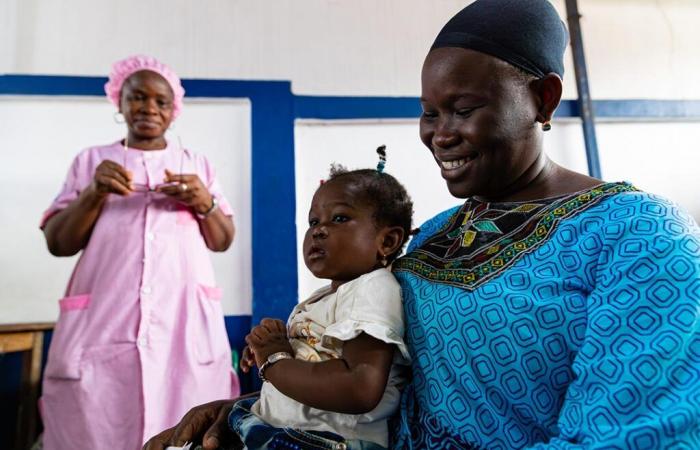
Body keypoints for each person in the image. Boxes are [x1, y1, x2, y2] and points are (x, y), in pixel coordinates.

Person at [145, 0, 700, 449]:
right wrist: (255, 416)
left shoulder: (637, 237)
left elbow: (634, 436)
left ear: (542, 97)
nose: (440, 133)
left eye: (463, 108)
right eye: (430, 113)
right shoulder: (432, 236)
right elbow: (386, 391)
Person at [147, 154, 414, 450]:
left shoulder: (373, 289)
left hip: (327, 441)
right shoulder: (325, 297)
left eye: (339, 218)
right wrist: (271, 349)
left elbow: (360, 388)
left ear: (387, 242)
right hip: (281, 430)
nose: (319, 230)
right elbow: (310, 360)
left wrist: (274, 362)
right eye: (314, 221)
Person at [40, 55, 239, 449]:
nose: (148, 107)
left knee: (185, 416)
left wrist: (204, 202)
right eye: (137, 98)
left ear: (174, 110)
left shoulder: (195, 164)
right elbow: (58, 242)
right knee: (95, 421)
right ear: (119, 102)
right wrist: (93, 193)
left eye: (160, 101)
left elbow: (223, 239)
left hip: (182, 323)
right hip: (103, 323)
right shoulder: (91, 161)